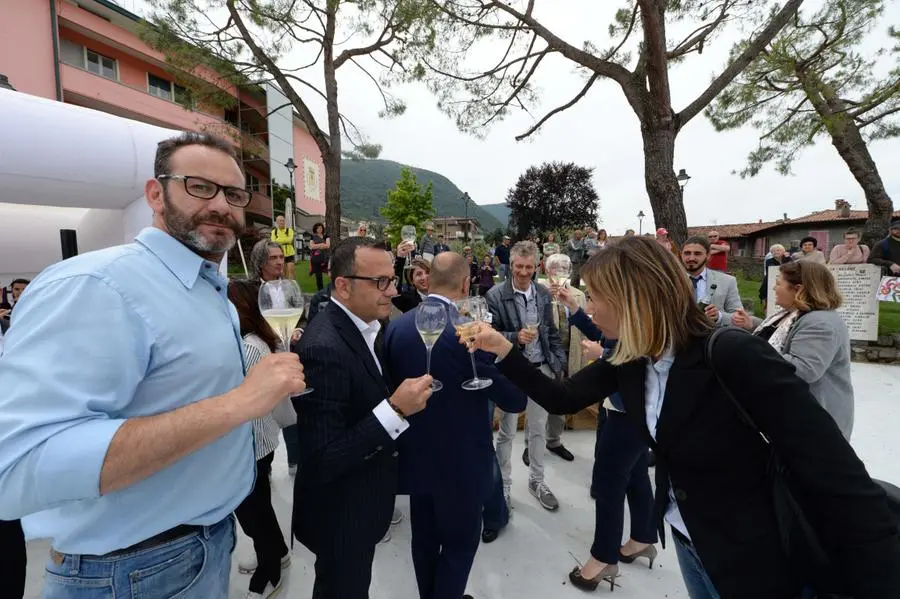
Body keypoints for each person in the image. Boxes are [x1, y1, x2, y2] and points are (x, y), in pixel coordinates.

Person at [463, 236, 900, 599]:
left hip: (757, 552)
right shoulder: (632, 358)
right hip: (689, 543)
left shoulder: (729, 353)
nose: (588, 309)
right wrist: (502, 350)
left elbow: (831, 465)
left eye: (594, 297)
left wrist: (876, 578)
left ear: (634, 297)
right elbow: (561, 398)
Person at [0, 132, 306, 598]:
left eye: (234, 194)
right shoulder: (96, 285)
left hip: (205, 545)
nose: (221, 205)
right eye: (200, 186)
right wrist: (240, 404)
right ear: (155, 194)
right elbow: (18, 466)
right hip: (130, 572)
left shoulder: (207, 288)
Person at [293, 236, 433, 599]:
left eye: (393, 278)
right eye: (380, 281)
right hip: (341, 516)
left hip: (363, 504)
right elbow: (323, 457)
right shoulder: (324, 347)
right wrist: (396, 409)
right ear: (343, 286)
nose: (392, 289)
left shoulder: (369, 326)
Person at [384, 252, 527, 599]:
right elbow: (515, 400)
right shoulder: (471, 331)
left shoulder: (395, 327)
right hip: (463, 464)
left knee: (424, 542)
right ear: (466, 285)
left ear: (428, 281)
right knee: (460, 546)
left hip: (415, 457)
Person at [485, 241, 567, 512]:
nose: (522, 272)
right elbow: (491, 334)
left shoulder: (543, 293)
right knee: (507, 433)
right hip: (511, 370)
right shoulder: (495, 295)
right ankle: (503, 486)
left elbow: (552, 333)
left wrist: (559, 365)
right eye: (518, 267)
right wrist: (515, 337)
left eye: (528, 267)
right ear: (510, 265)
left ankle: (537, 481)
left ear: (537, 266)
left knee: (538, 431)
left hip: (540, 368)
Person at [732, 261, 854, 439]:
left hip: (813, 426)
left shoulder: (820, 323)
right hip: (798, 418)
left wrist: (751, 350)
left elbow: (804, 369)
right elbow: (784, 336)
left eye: (779, 283)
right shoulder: (797, 314)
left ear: (798, 289)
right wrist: (752, 325)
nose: (774, 288)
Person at [229, 280, 295, 599]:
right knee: (258, 506)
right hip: (258, 442)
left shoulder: (250, 347)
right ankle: (277, 551)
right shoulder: (253, 340)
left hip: (251, 444)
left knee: (253, 511)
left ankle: (270, 567)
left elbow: (239, 398)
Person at [680, 236, 743, 326]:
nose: (691, 258)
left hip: (713, 336)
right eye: (687, 253)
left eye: (697, 254)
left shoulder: (727, 281)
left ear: (708, 256)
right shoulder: (668, 281)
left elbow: (739, 317)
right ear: (681, 255)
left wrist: (719, 317)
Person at [393, 241, 430, 313]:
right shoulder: (408, 300)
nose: (424, 277)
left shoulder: (442, 295)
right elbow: (394, 292)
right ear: (412, 280)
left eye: (427, 272)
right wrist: (400, 259)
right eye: (419, 274)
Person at [759, 244, 792, 308]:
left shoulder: (788, 259)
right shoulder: (769, 261)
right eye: (774, 251)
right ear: (771, 253)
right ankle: (768, 309)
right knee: (767, 295)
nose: (776, 252)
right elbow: (769, 272)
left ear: (783, 252)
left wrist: (786, 259)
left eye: (778, 250)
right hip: (770, 280)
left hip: (785, 280)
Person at [271, 214, 296, 280]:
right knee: (282, 272)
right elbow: (273, 242)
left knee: (291, 270)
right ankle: (284, 286)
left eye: (283, 220)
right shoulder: (274, 232)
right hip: (280, 254)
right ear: (277, 222)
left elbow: (290, 240)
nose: (282, 222)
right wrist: (285, 240)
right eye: (280, 221)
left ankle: (292, 286)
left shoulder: (289, 230)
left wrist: (279, 241)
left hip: (289, 253)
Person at [309, 222, 331, 291]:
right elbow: (312, 246)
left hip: (325, 257)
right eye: (318, 228)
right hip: (316, 258)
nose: (319, 229)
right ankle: (320, 290)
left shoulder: (326, 236)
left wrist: (317, 246)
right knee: (318, 275)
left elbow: (327, 245)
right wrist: (321, 244)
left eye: (321, 228)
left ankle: (331, 288)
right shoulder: (312, 236)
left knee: (330, 272)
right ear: (315, 229)